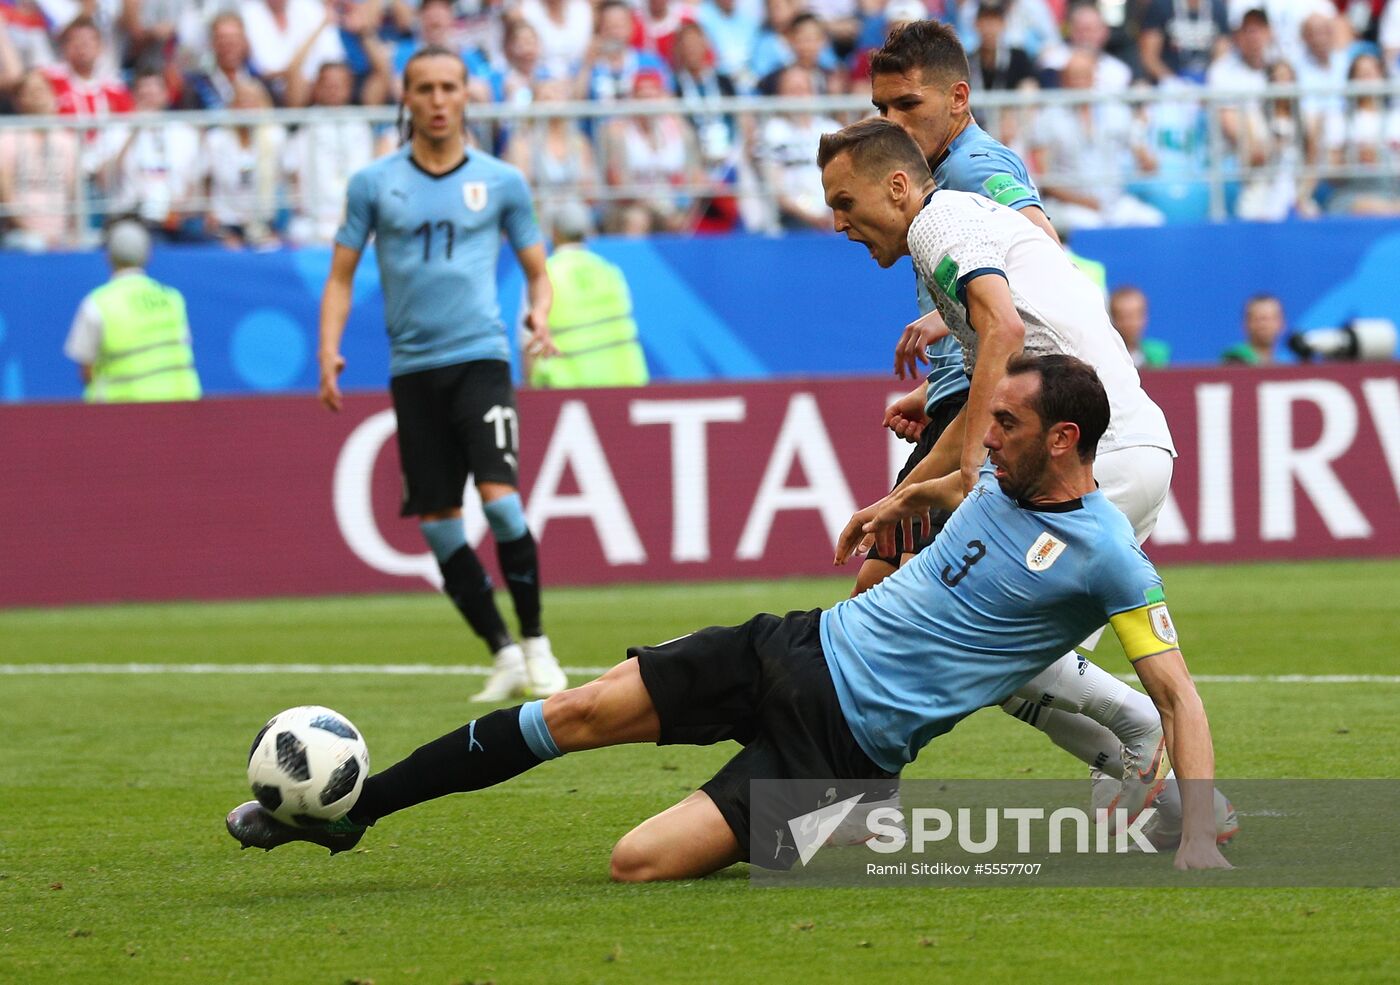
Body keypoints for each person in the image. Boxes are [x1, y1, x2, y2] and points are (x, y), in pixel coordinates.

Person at [226, 354, 1234, 877]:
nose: (989, 436)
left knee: (634, 862)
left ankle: (850, 815)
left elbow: (1175, 694)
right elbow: (958, 478)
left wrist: (1192, 831)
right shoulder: (998, 476)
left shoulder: (1107, 554)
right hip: (791, 644)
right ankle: (354, 815)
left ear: (1063, 438)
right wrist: (900, 499)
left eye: (1006, 423)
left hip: (842, 739)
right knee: (571, 713)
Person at [819, 118, 1216, 836]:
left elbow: (1001, 332)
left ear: (900, 186)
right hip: (1126, 446)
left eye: (846, 203)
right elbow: (996, 372)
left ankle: (1136, 737)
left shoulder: (938, 225)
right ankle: (1183, 800)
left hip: (1093, 450)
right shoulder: (959, 233)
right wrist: (903, 496)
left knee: (967, 628)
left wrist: (970, 469)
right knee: (1010, 664)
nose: (837, 223)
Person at [317, 45, 568, 702]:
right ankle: (503, 650)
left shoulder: (502, 181)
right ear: (405, 97)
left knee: (502, 501)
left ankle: (539, 643)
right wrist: (329, 346)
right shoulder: (374, 184)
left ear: (465, 96)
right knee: (437, 524)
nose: (435, 100)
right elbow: (341, 276)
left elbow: (540, 271)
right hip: (413, 368)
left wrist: (539, 315)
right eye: (423, 88)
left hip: (481, 358)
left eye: (447, 87)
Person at [62, 220, 201, 403]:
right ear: (148, 255)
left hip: (124, 414)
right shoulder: (172, 299)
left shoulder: (97, 303)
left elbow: (86, 371)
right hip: (181, 407)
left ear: (108, 257)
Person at [527, 205, 649, 389]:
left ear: (554, 233)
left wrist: (531, 395)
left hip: (567, 388)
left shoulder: (543, 275)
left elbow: (529, 342)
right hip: (625, 382)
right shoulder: (610, 271)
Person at [1110, 286, 1171, 368]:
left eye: (1135, 316)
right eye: (1122, 317)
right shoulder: (1106, 355)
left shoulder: (1158, 353)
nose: (1129, 323)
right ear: (1112, 318)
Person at [1222, 293, 1285, 363]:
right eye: (1258, 319)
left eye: (1270, 319)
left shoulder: (1281, 365)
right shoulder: (1235, 360)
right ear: (1246, 324)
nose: (1264, 325)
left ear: (1282, 323)